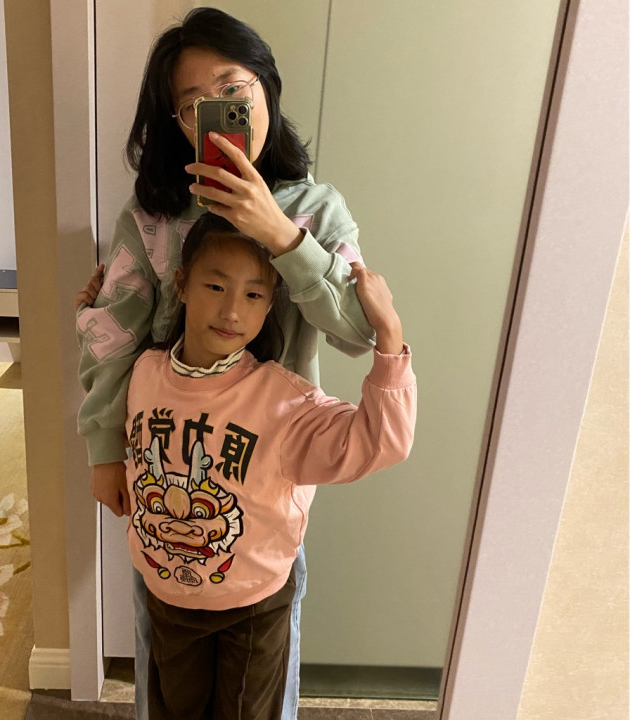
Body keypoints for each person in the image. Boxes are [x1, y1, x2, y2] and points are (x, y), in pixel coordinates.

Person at [77, 7, 378, 719]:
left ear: (266, 87)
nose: (217, 112)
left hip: (268, 481)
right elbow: (114, 336)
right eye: (192, 104)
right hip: (166, 473)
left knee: (264, 673)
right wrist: (104, 446)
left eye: (232, 90)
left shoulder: (315, 210)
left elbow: (359, 331)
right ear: (177, 123)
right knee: (166, 662)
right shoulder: (153, 215)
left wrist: (281, 235)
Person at [123, 212, 415, 720]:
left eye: (254, 295)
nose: (232, 310)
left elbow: (379, 443)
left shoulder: (284, 402)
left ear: (270, 305)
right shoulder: (144, 372)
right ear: (182, 284)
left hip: (252, 607)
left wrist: (389, 334)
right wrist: (88, 316)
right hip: (168, 596)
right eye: (216, 286)